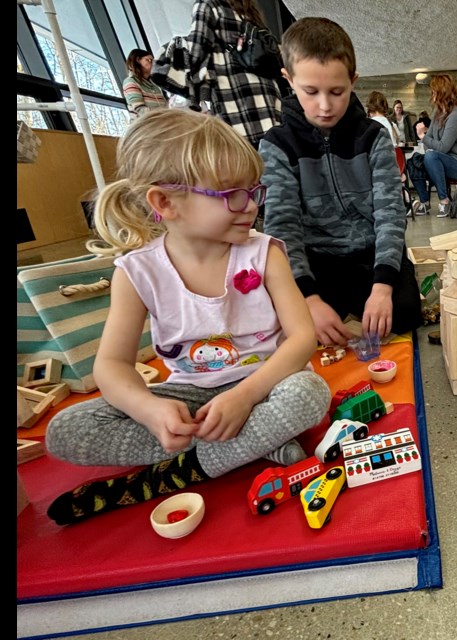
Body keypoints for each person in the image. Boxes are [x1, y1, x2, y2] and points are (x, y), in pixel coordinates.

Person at [44, 109, 330, 525]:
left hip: (266, 386)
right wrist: (150, 411)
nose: (249, 205)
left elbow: (302, 338)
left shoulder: (263, 251)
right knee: (65, 430)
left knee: (309, 393)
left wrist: (245, 396)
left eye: (254, 191)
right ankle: (254, 445)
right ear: (165, 202)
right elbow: (110, 366)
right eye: (231, 194)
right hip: (189, 398)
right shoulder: (137, 271)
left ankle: (185, 471)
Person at [260, 17, 421, 347]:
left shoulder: (373, 136)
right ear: (288, 80)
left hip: (371, 253)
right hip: (320, 258)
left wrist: (383, 286)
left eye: (337, 91)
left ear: (353, 81)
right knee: (296, 322)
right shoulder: (277, 144)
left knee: (403, 312)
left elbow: (390, 214)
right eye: (310, 91)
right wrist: (308, 298)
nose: (324, 106)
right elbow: (282, 228)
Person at [183, 0, 282, 147]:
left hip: (236, 100)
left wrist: (194, 100)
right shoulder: (247, 8)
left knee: (247, 160)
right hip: (267, 95)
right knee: (274, 154)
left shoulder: (208, 5)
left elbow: (197, 53)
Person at [411, 74, 457, 218]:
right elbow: (429, 144)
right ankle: (424, 202)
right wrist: (427, 140)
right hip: (439, 160)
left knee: (431, 156)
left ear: (442, 92)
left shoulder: (455, 116)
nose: (432, 94)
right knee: (413, 161)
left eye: (434, 91)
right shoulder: (437, 113)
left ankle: (445, 201)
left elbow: (442, 147)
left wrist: (423, 137)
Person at [122, 49, 168, 117]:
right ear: (137, 60)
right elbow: (140, 110)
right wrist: (166, 112)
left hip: (160, 123)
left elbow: (165, 106)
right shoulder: (130, 82)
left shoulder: (154, 84)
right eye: (149, 60)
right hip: (146, 125)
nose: (152, 63)